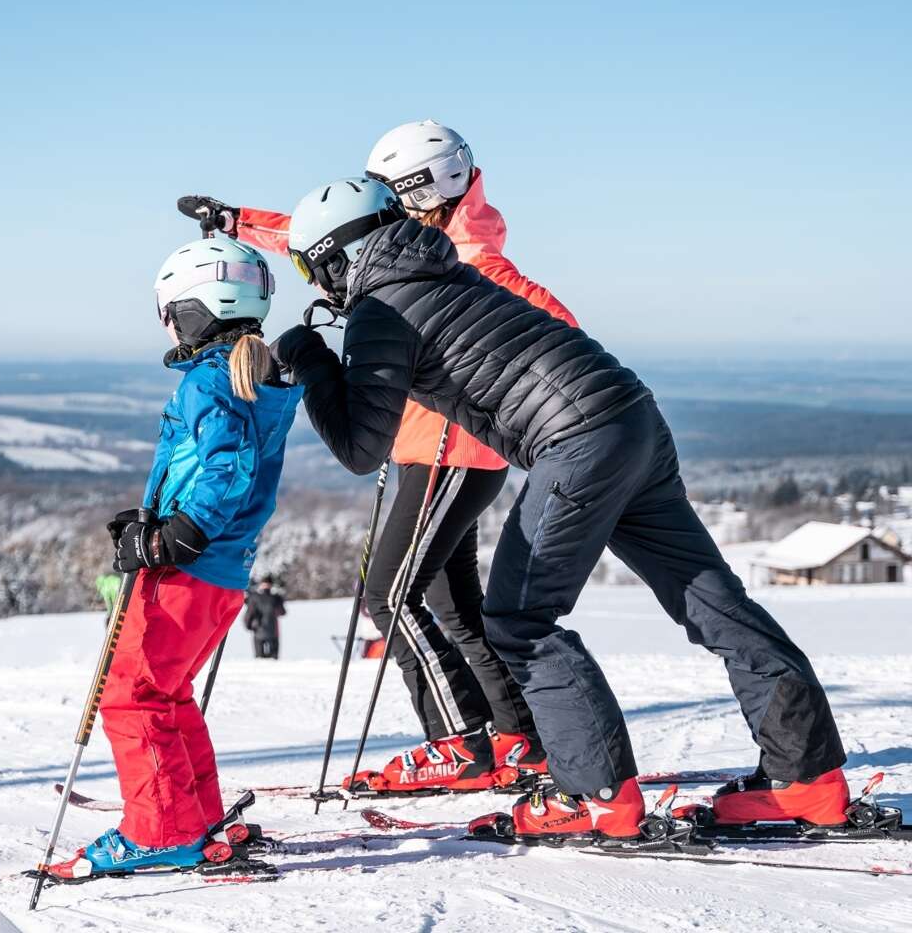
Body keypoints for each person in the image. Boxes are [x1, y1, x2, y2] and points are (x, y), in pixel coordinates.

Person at [270, 176, 848, 840]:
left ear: (336, 256)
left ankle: (596, 797)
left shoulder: (382, 309)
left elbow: (359, 448)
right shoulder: (443, 268)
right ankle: (809, 781)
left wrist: (310, 360)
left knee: (517, 618)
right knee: (712, 601)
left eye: (308, 267)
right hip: (633, 420)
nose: (314, 285)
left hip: (577, 444)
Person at [183, 122, 568, 795]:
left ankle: (459, 743)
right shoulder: (426, 238)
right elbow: (330, 236)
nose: (382, 206)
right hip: (438, 448)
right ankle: (518, 738)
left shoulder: (469, 255)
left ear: (427, 187)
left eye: (394, 192)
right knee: (452, 605)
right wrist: (237, 222)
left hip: (447, 449)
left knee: (387, 595)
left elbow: (556, 334)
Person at [58, 235, 301, 877]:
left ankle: (162, 830)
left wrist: (179, 533)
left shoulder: (208, 379)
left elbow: (229, 464)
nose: (166, 324)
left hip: (189, 569)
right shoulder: (256, 374)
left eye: (168, 310)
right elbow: (228, 461)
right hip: (222, 572)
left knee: (132, 695)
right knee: (166, 693)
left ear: (193, 307)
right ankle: (192, 817)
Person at [244, 575, 286, 658]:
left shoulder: (254, 597)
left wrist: (248, 625)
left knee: (259, 659)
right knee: (274, 661)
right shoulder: (276, 597)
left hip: (258, 630)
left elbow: (249, 614)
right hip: (273, 631)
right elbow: (282, 612)